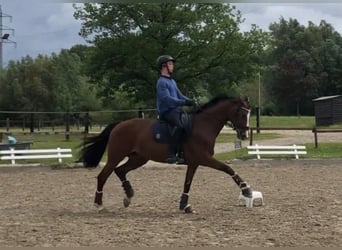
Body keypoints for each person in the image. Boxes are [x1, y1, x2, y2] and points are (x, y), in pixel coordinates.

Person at [155, 55, 196, 164]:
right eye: (170, 64)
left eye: (172, 64)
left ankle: (183, 153)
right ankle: (171, 154)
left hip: (176, 110)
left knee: (189, 124)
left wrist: (191, 101)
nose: (172, 66)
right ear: (164, 66)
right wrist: (184, 102)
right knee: (179, 126)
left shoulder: (172, 81)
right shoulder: (161, 82)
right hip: (167, 111)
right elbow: (167, 99)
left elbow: (180, 95)